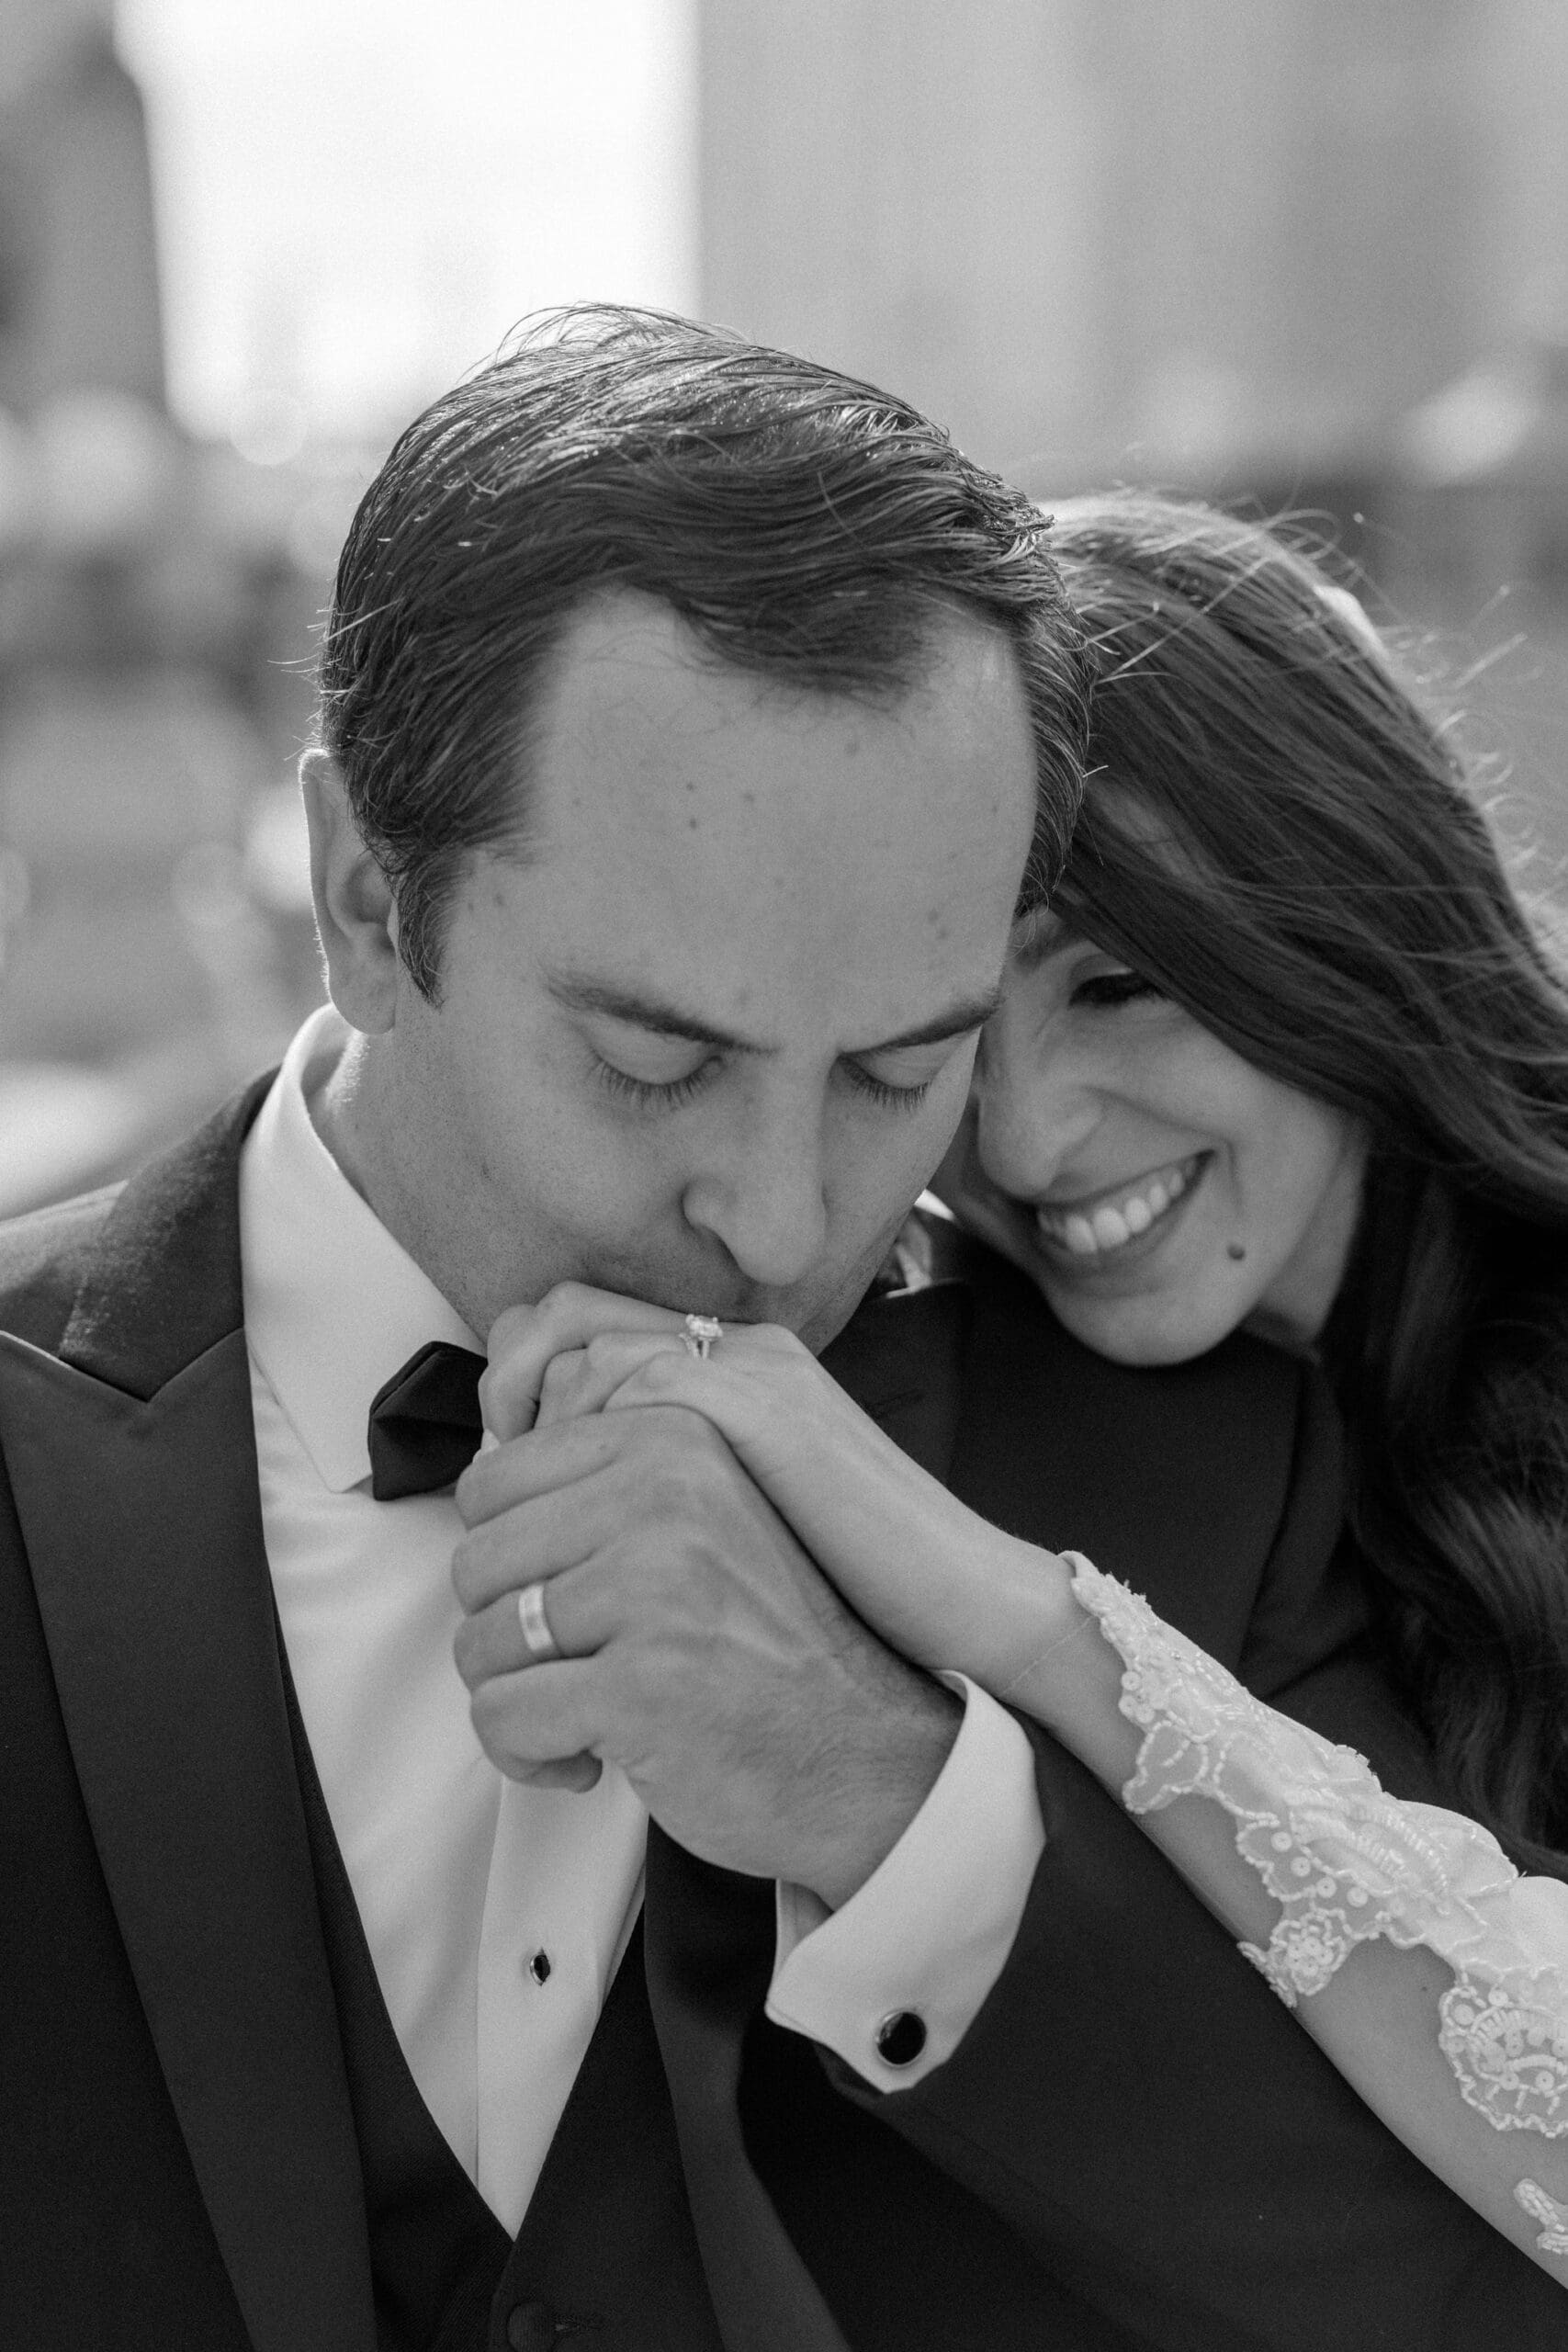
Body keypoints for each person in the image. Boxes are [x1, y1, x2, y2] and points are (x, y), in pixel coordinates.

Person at [2, 323, 1560, 2352]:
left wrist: (884, 1792)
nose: (784, 1219)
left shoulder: (1206, 1476)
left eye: (899, 1071)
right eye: (658, 1060)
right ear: (370, 900)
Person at [462, 491, 1568, 2294]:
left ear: (1353, 910)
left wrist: (1041, 1626)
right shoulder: (972, 1377)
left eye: (1120, 987)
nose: (1030, 1140)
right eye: (951, 1040)